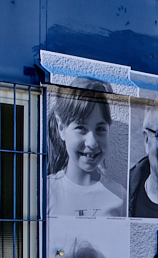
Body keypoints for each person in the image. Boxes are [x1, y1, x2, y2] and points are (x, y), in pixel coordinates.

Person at [46, 84, 126, 218]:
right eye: (81, 128)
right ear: (61, 129)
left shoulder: (120, 196)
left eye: (100, 129)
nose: (92, 142)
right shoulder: (46, 191)